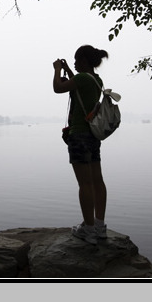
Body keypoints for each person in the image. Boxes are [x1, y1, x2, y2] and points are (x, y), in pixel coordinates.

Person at [52, 45, 109, 245]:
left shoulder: (83, 79)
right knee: (97, 181)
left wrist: (57, 69)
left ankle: (89, 230)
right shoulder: (96, 80)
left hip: (79, 136)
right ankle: (100, 226)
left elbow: (58, 88)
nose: (75, 63)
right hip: (93, 137)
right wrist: (69, 71)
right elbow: (79, 86)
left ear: (85, 60)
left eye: (77, 60)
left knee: (84, 184)